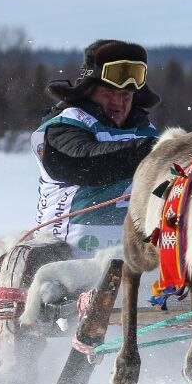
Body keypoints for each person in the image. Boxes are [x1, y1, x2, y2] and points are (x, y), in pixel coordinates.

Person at [32, 39, 161, 257]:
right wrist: (156, 151)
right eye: (109, 92)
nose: (117, 102)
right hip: (63, 255)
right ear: (89, 90)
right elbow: (86, 163)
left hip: (131, 257)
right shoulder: (63, 126)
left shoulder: (148, 133)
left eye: (125, 95)